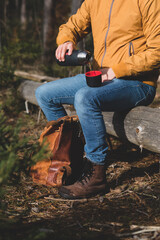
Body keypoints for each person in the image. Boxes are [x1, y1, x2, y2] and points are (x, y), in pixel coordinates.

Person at [35, 0, 160, 199]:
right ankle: (71, 162)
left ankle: (96, 174)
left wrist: (116, 71)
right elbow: (73, 25)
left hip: (138, 82)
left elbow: (157, 51)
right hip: (100, 77)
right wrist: (67, 39)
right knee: (45, 94)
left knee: (85, 97)